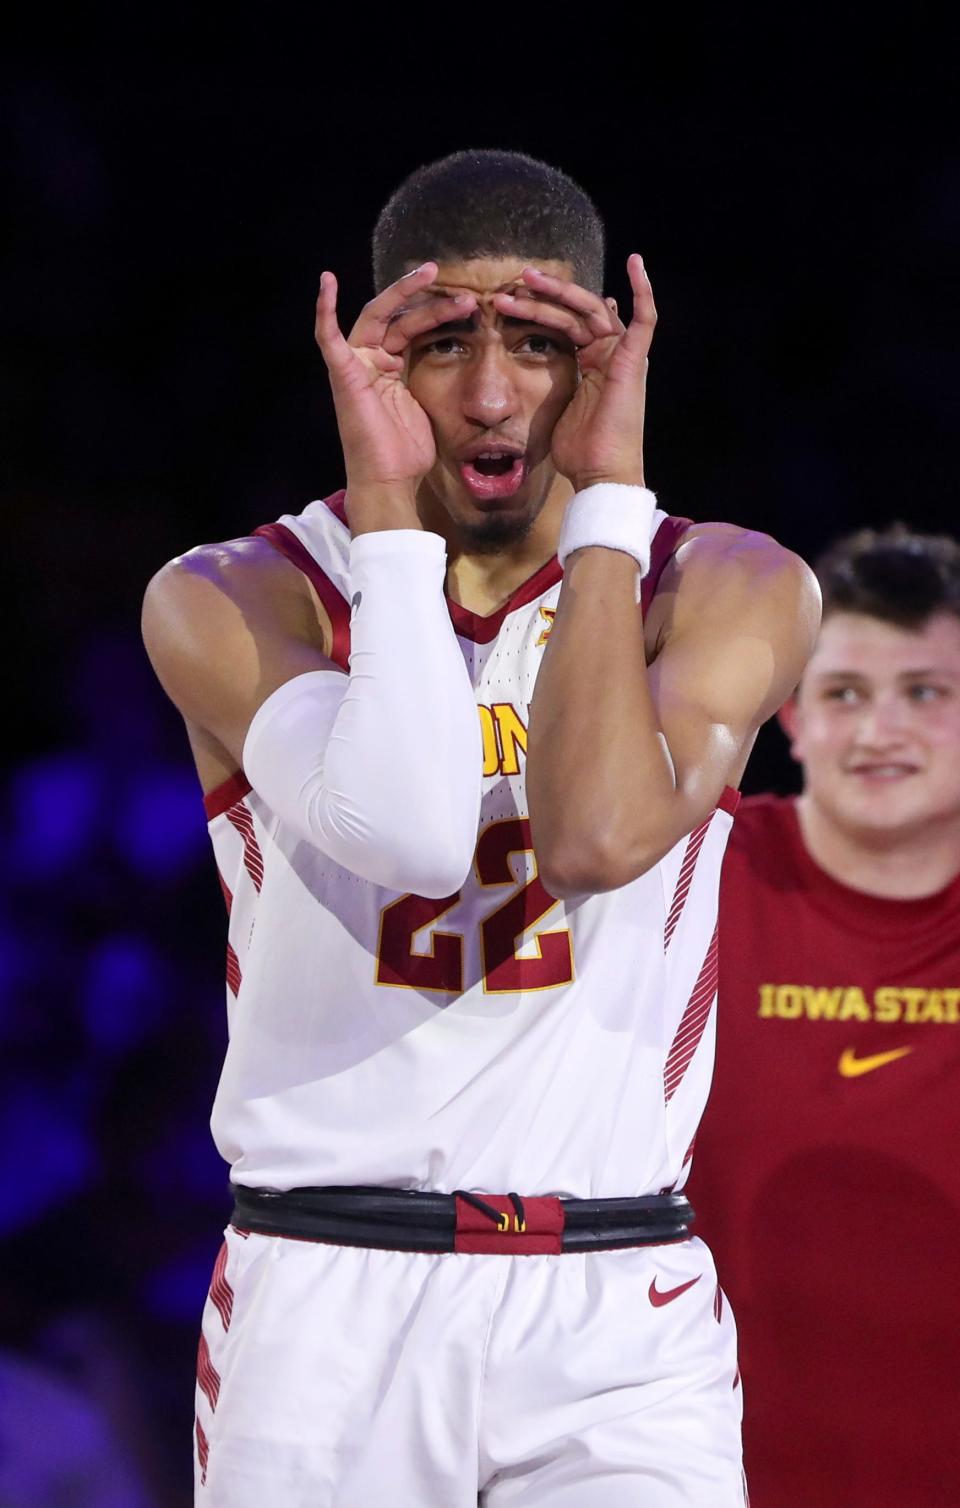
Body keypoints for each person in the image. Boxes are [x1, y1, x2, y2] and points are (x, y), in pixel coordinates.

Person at [142, 148, 817, 1506]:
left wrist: (608, 517)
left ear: (607, 359)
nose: (496, 393)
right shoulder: (235, 598)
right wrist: (388, 519)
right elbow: (406, 831)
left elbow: (595, 836)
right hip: (330, 1299)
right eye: (444, 342)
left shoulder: (725, 584)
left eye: (540, 341)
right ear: (371, 358)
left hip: (616, 1303)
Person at [690, 525, 960, 1507]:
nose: (878, 729)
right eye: (843, 693)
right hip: (701, 1475)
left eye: (925, 692)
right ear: (792, 715)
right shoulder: (686, 882)